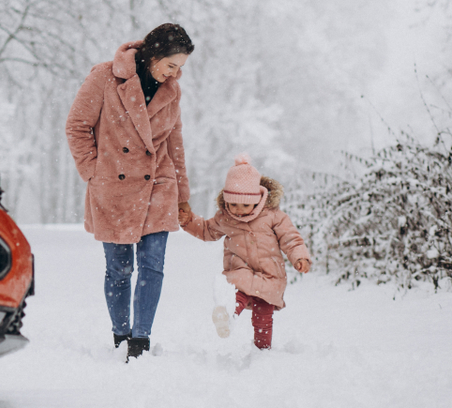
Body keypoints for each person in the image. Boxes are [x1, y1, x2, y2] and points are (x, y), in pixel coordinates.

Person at [65, 23, 194, 360]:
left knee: (153, 265)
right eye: (171, 65)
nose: (175, 74)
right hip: (113, 187)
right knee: (119, 268)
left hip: (158, 184)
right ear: (153, 55)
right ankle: (121, 336)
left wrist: (182, 195)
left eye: (180, 68)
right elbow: (77, 126)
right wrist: (93, 172)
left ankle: (141, 341)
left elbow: (174, 144)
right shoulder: (106, 77)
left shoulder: (172, 93)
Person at [178, 155, 311, 350]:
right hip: (240, 270)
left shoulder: (273, 216)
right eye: (233, 204)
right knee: (235, 295)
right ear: (226, 201)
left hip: (270, 274)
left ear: (257, 199)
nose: (238, 210)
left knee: (263, 318)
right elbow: (207, 231)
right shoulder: (225, 218)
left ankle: (262, 350)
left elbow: (290, 238)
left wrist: (299, 256)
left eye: (245, 205)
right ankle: (227, 317)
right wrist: (189, 221)